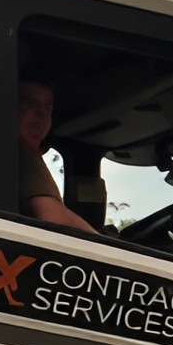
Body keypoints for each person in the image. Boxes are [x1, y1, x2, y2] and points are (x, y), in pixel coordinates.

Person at [16, 77, 100, 234]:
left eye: (47, 108)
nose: (41, 114)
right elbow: (55, 218)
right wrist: (113, 249)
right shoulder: (18, 152)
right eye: (29, 103)